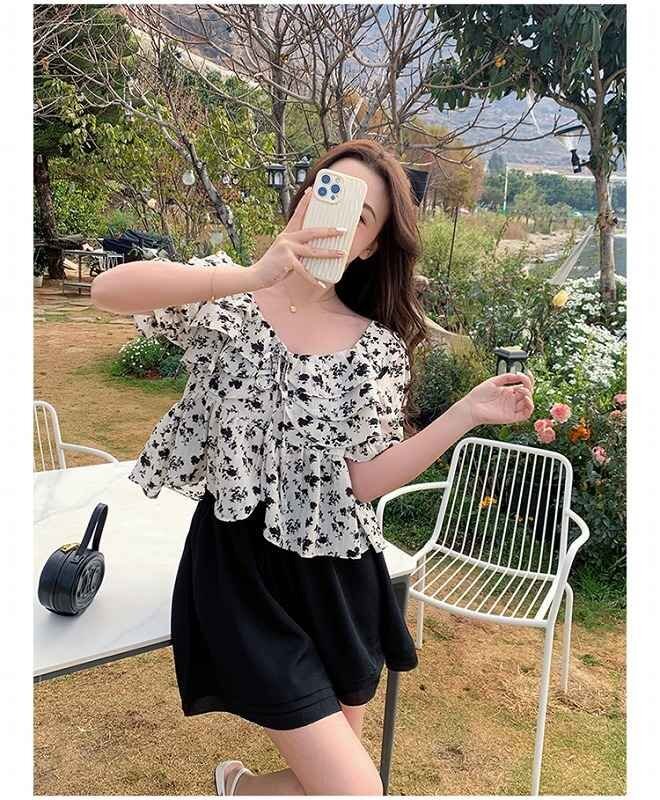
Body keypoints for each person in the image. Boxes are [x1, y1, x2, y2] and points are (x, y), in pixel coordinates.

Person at [90, 139, 535, 796]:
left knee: (323, 783)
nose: (335, 218)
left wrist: (465, 413)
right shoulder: (227, 296)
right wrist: (251, 276)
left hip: (338, 574)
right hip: (240, 569)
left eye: (360, 215)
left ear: (372, 247)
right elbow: (107, 290)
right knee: (356, 790)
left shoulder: (376, 347)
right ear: (303, 198)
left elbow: (364, 481)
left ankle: (239, 789)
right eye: (327, 192)